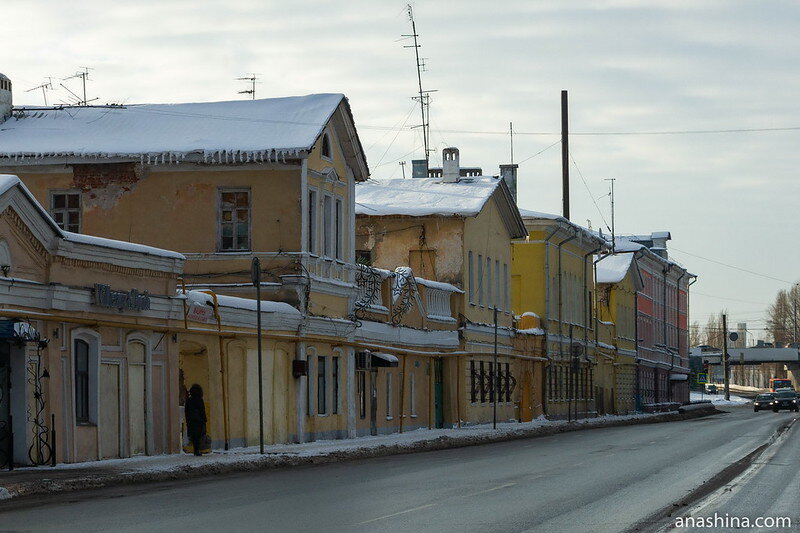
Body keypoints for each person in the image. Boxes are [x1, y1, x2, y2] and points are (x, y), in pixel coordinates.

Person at [185, 384, 207, 456]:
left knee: (194, 436)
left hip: (191, 420)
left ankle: (196, 450)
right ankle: (199, 450)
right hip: (199, 420)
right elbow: (202, 410)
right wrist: (204, 419)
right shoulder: (200, 400)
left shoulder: (189, 400)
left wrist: (187, 421)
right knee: (199, 435)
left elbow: (186, 411)